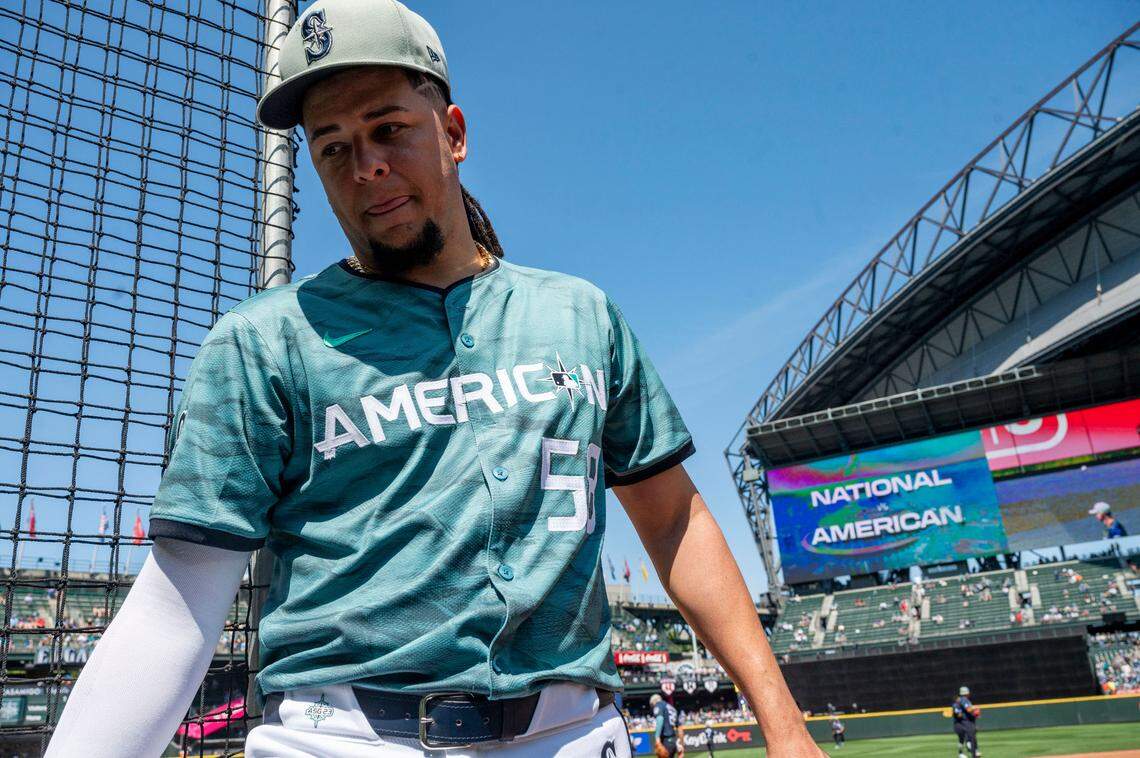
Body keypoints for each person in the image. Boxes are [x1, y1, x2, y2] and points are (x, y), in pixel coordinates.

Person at [43, 1, 821, 756]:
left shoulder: (581, 315)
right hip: (342, 737)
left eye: (388, 129)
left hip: (576, 731)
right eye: (333, 147)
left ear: (453, 133)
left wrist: (784, 727)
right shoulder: (261, 343)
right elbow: (177, 608)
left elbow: (674, 520)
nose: (367, 164)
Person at [951, 685, 981, 758]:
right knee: (970, 737)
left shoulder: (959, 702)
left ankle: (963, 752)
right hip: (963, 723)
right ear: (967, 693)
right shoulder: (964, 700)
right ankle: (971, 751)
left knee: (964, 738)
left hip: (963, 723)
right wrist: (975, 708)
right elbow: (968, 710)